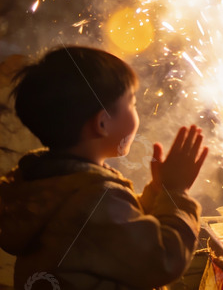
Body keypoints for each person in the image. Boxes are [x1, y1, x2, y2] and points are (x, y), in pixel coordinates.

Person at [0, 46, 208, 290]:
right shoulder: (96, 198)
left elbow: (119, 233)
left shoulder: (47, 184)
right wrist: (176, 194)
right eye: (131, 103)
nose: (136, 112)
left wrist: (158, 192)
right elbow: (162, 260)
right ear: (102, 122)